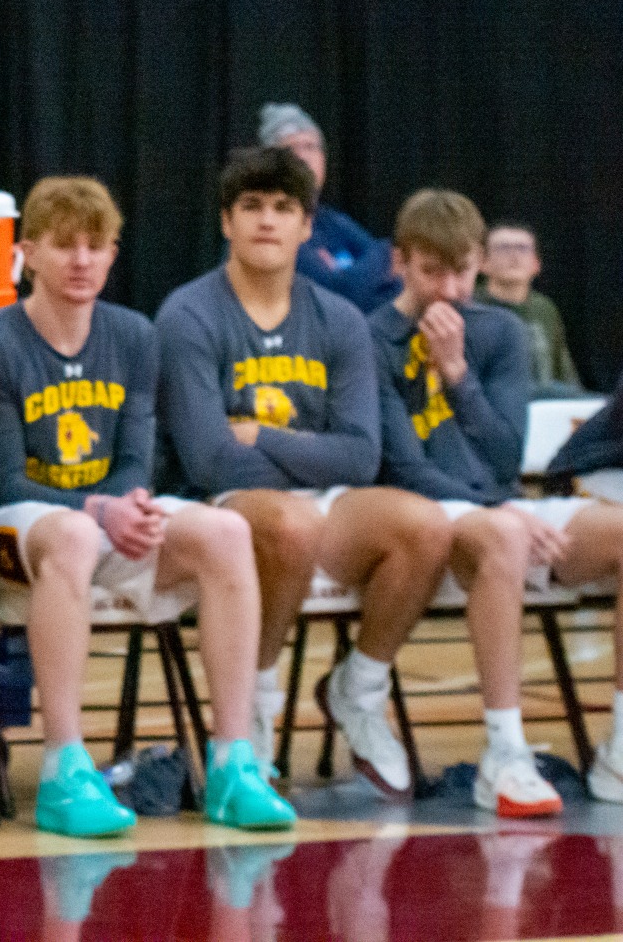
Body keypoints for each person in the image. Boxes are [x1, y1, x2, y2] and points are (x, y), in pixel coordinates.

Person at [0, 178, 291, 838]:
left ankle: (233, 762)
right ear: (27, 252)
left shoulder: (136, 336)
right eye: (63, 245)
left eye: (96, 245)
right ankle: (64, 767)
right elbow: (2, 482)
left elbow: (138, 456)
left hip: (98, 520)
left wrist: (129, 505)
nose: (82, 260)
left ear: (113, 253)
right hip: (6, 537)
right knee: (75, 536)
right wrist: (100, 511)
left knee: (227, 528)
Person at [157, 146, 450, 801]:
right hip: (220, 508)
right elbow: (207, 458)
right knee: (291, 521)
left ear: (307, 226)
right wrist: (308, 450)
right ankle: (254, 702)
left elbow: (360, 455)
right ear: (227, 221)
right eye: (253, 207)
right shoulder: (189, 314)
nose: (268, 220)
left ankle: (360, 687)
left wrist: (260, 432)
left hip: (320, 499)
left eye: (284, 208)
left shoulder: (339, 318)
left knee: (426, 525)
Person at [371, 189, 623, 814]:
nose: (449, 291)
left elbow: (506, 452)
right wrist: (499, 508)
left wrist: (456, 372)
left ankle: (618, 753)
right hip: (426, 515)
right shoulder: (371, 337)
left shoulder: (502, 331)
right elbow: (404, 466)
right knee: (507, 532)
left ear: (479, 263)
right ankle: (505, 753)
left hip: (498, 503)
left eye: (461, 272)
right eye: (432, 271)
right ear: (400, 262)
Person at [257, 102, 400, 313]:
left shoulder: (332, 222)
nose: (303, 157)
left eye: (310, 146)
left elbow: (396, 275)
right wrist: (366, 275)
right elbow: (338, 296)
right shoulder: (268, 227)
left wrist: (353, 276)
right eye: (290, 148)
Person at [476, 222, 586, 399]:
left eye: (522, 248)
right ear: (483, 263)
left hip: (545, 409)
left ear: (536, 264)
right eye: (503, 248)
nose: (514, 255)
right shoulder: (472, 308)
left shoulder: (544, 308)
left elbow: (564, 372)